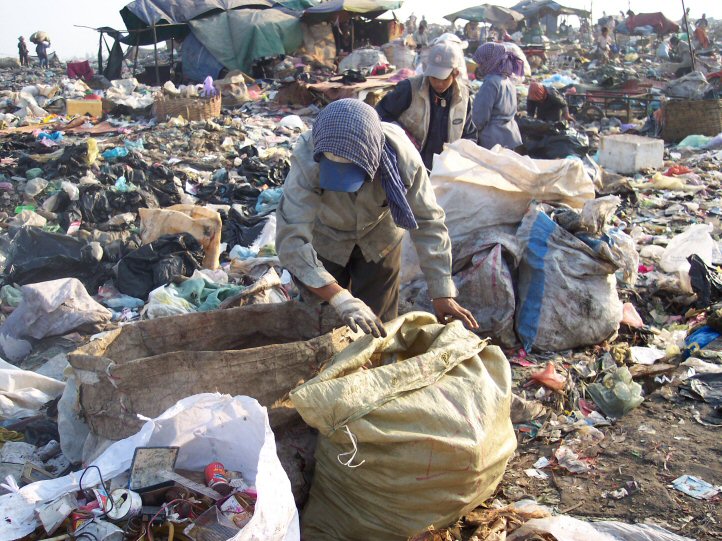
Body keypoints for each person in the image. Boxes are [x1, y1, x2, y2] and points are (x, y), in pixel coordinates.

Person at [275, 98, 478, 337]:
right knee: (318, 319)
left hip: (379, 238)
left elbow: (428, 221)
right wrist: (339, 298)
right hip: (327, 236)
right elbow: (291, 237)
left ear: (372, 156)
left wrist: (441, 291)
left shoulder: (402, 158)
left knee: (378, 326)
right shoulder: (307, 156)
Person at [377, 41, 475, 170]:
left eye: (444, 79)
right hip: (409, 164)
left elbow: (469, 135)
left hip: (445, 168)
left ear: (455, 74)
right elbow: (380, 116)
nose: (438, 84)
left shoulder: (463, 97)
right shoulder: (409, 88)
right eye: (434, 78)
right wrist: (401, 134)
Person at [471, 42, 524, 150]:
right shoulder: (508, 81)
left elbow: (480, 118)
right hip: (511, 137)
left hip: (493, 141)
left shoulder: (490, 83)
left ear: (489, 61)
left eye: (481, 62)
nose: (479, 66)